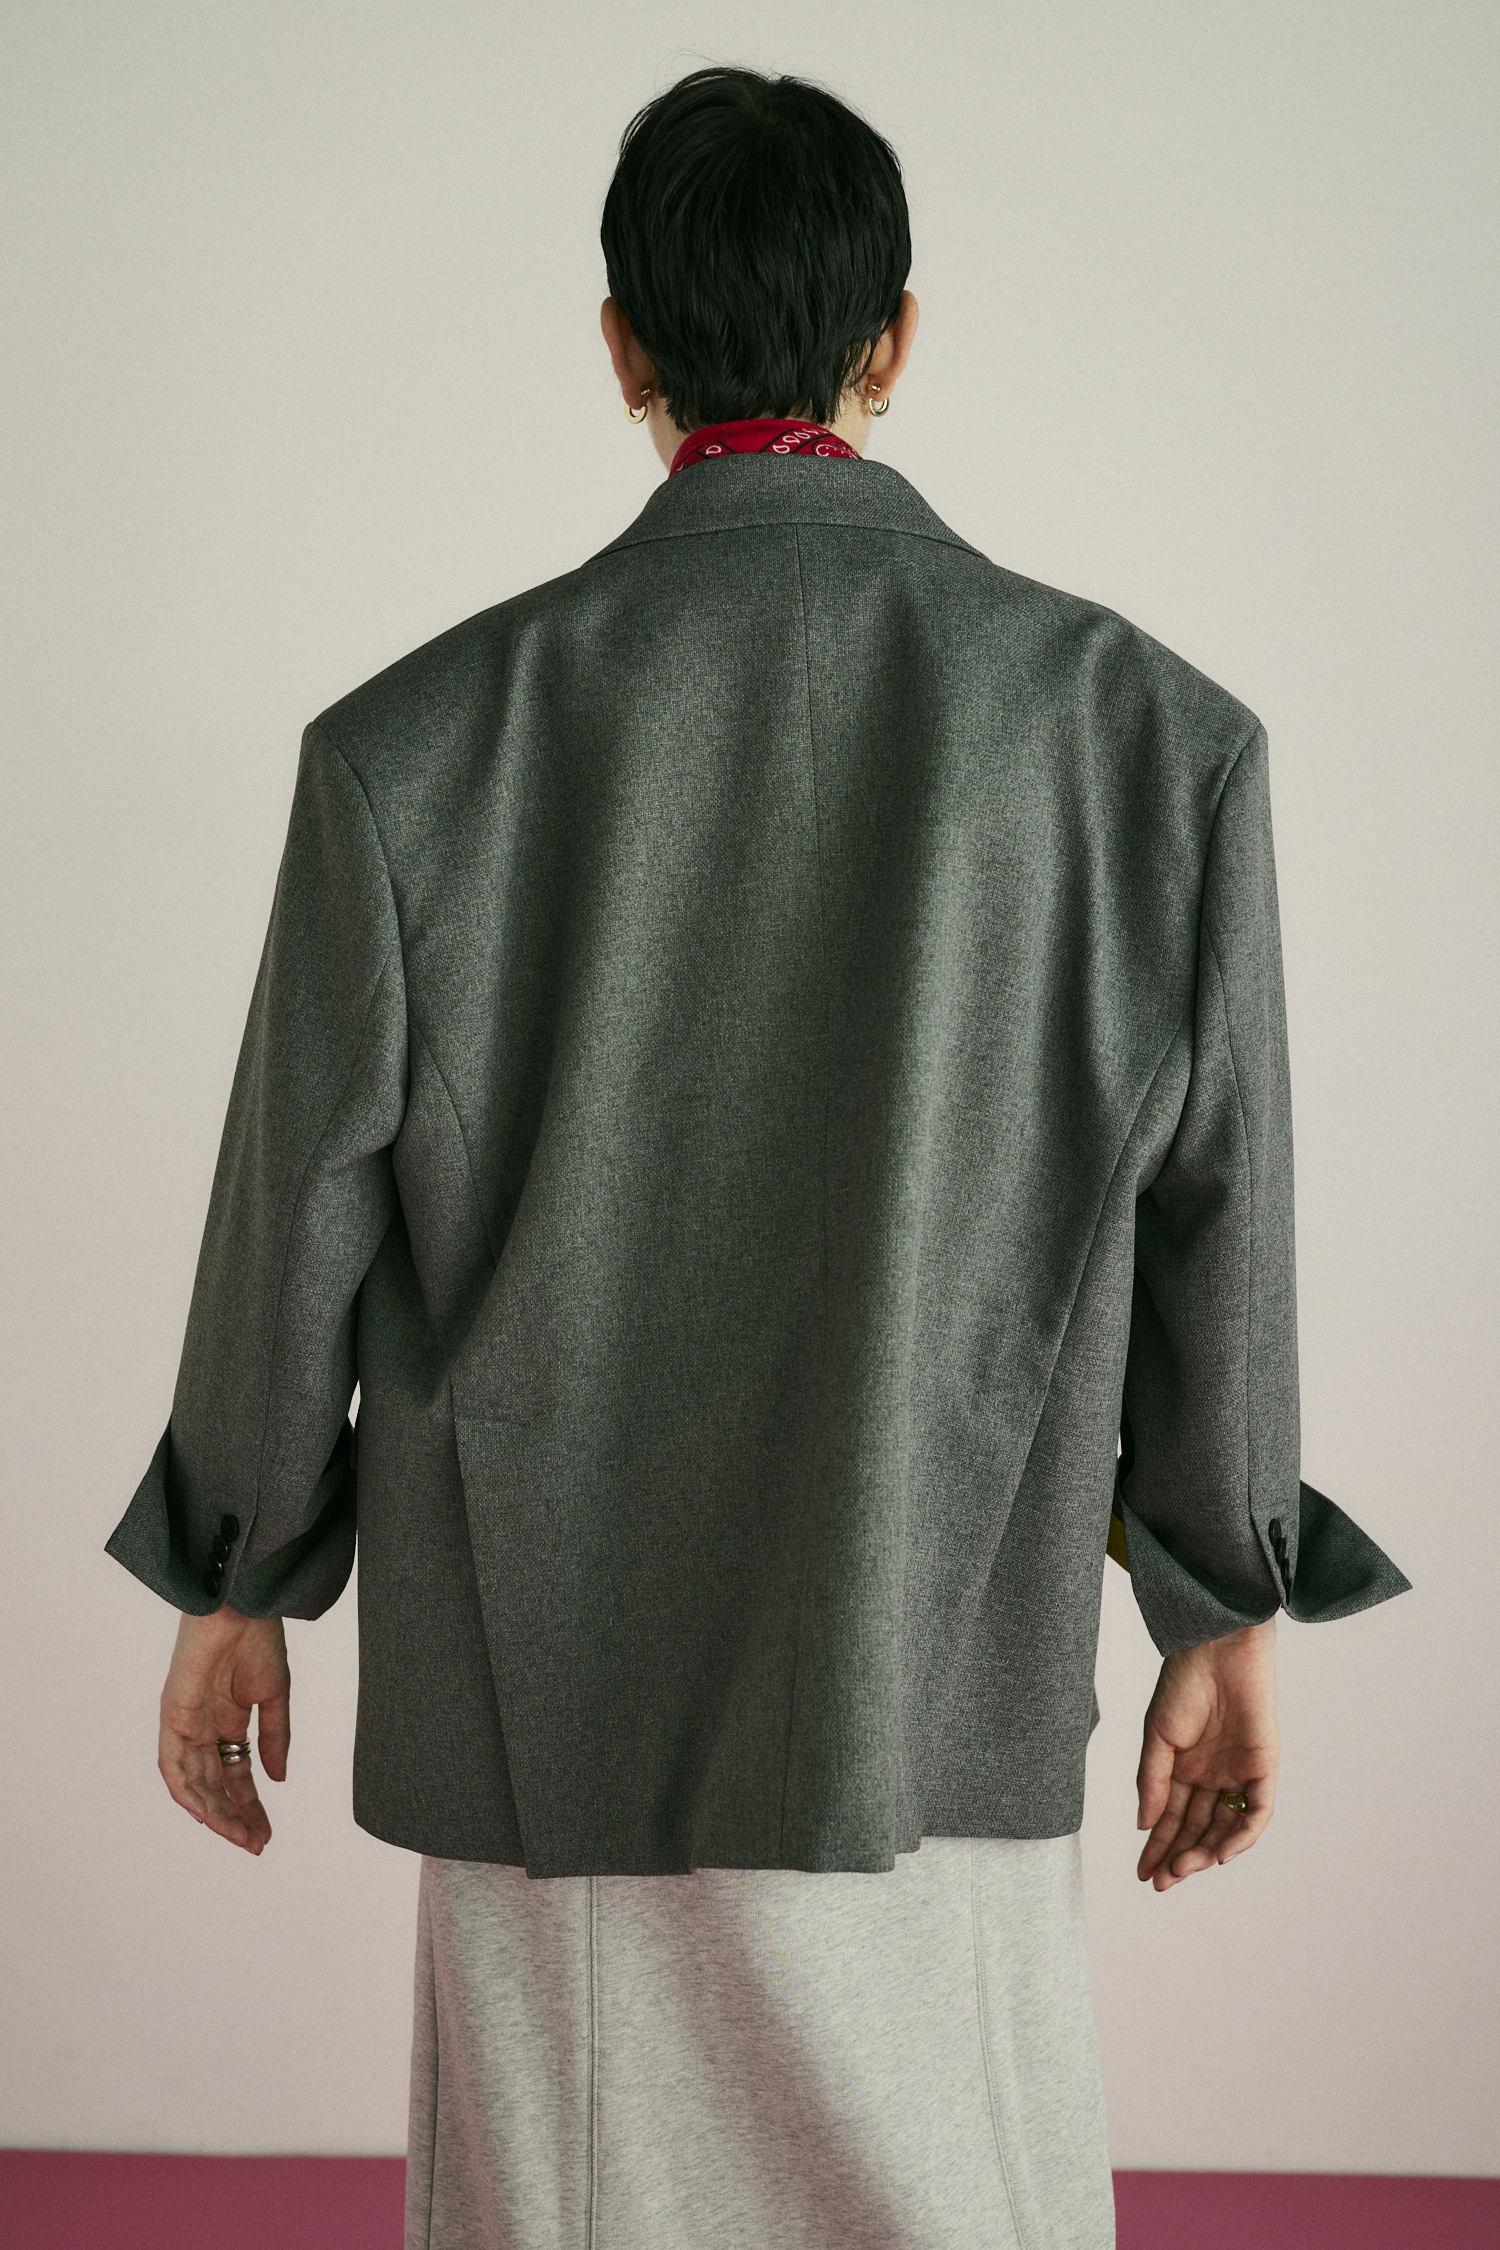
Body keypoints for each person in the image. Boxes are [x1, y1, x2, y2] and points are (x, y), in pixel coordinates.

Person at [108, 65, 1411, 2250]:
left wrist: (237, 1576)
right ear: (894, 338)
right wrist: (1223, 1597)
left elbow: (288, 1216)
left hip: (548, 1704)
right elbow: (1228, 1236)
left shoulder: (406, 754)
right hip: (946, 1668)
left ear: (622, 343)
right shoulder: (1157, 749)